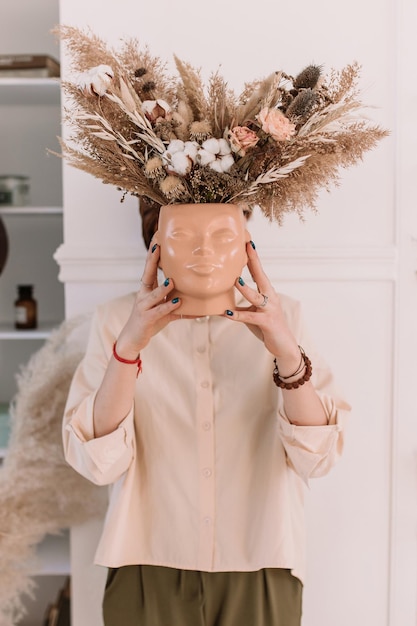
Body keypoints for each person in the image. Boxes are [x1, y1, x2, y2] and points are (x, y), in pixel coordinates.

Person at [62, 203, 350, 626]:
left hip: (262, 562)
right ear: (156, 245)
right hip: (145, 565)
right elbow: (99, 463)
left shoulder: (285, 318)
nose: (204, 252)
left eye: (223, 234)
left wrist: (286, 352)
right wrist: (127, 350)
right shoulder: (115, 322)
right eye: (184, 235)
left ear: (246, 244)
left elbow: (317, 458)